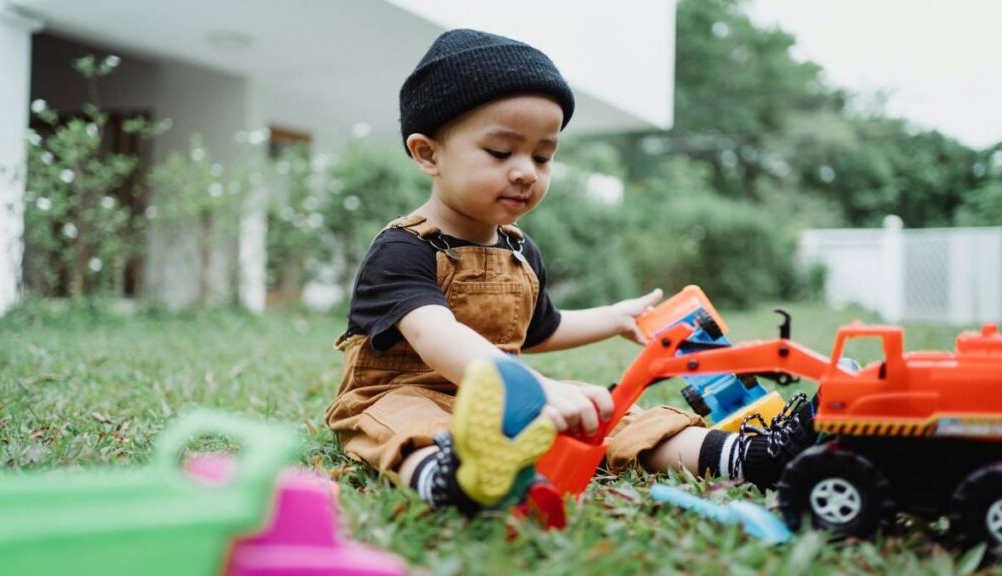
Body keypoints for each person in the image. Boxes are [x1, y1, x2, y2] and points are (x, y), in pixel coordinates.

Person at [324, 28, 815, 515]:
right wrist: (536, 392)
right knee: (406, 421)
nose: (526, 171)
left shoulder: (517, 249)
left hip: (504, 400)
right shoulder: (403, 249)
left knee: (604, 407)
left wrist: (615, 318)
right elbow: (439, 336)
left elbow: (544, 328)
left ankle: (748, 455)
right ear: (428, 153)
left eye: (543, 156)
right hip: (405, 393)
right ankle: (456, 479)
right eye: (501, 152)